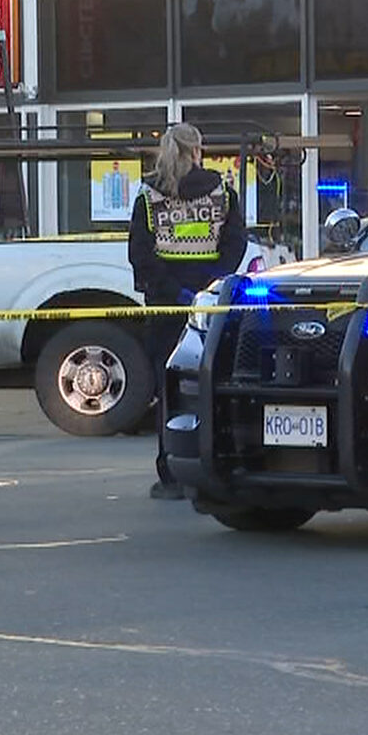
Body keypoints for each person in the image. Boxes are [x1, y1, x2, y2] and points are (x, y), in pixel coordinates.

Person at [128, 123, 246, 500]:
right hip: (211, 305)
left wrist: (174, 291)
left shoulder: (149, 195)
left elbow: (141, 255)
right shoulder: (223, 192)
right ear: (198, 150)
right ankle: (214, 470)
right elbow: (235, 244)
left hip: (166, 307)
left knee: (170, 389)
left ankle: (171, 475)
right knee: (213, 383)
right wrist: (209, 286)